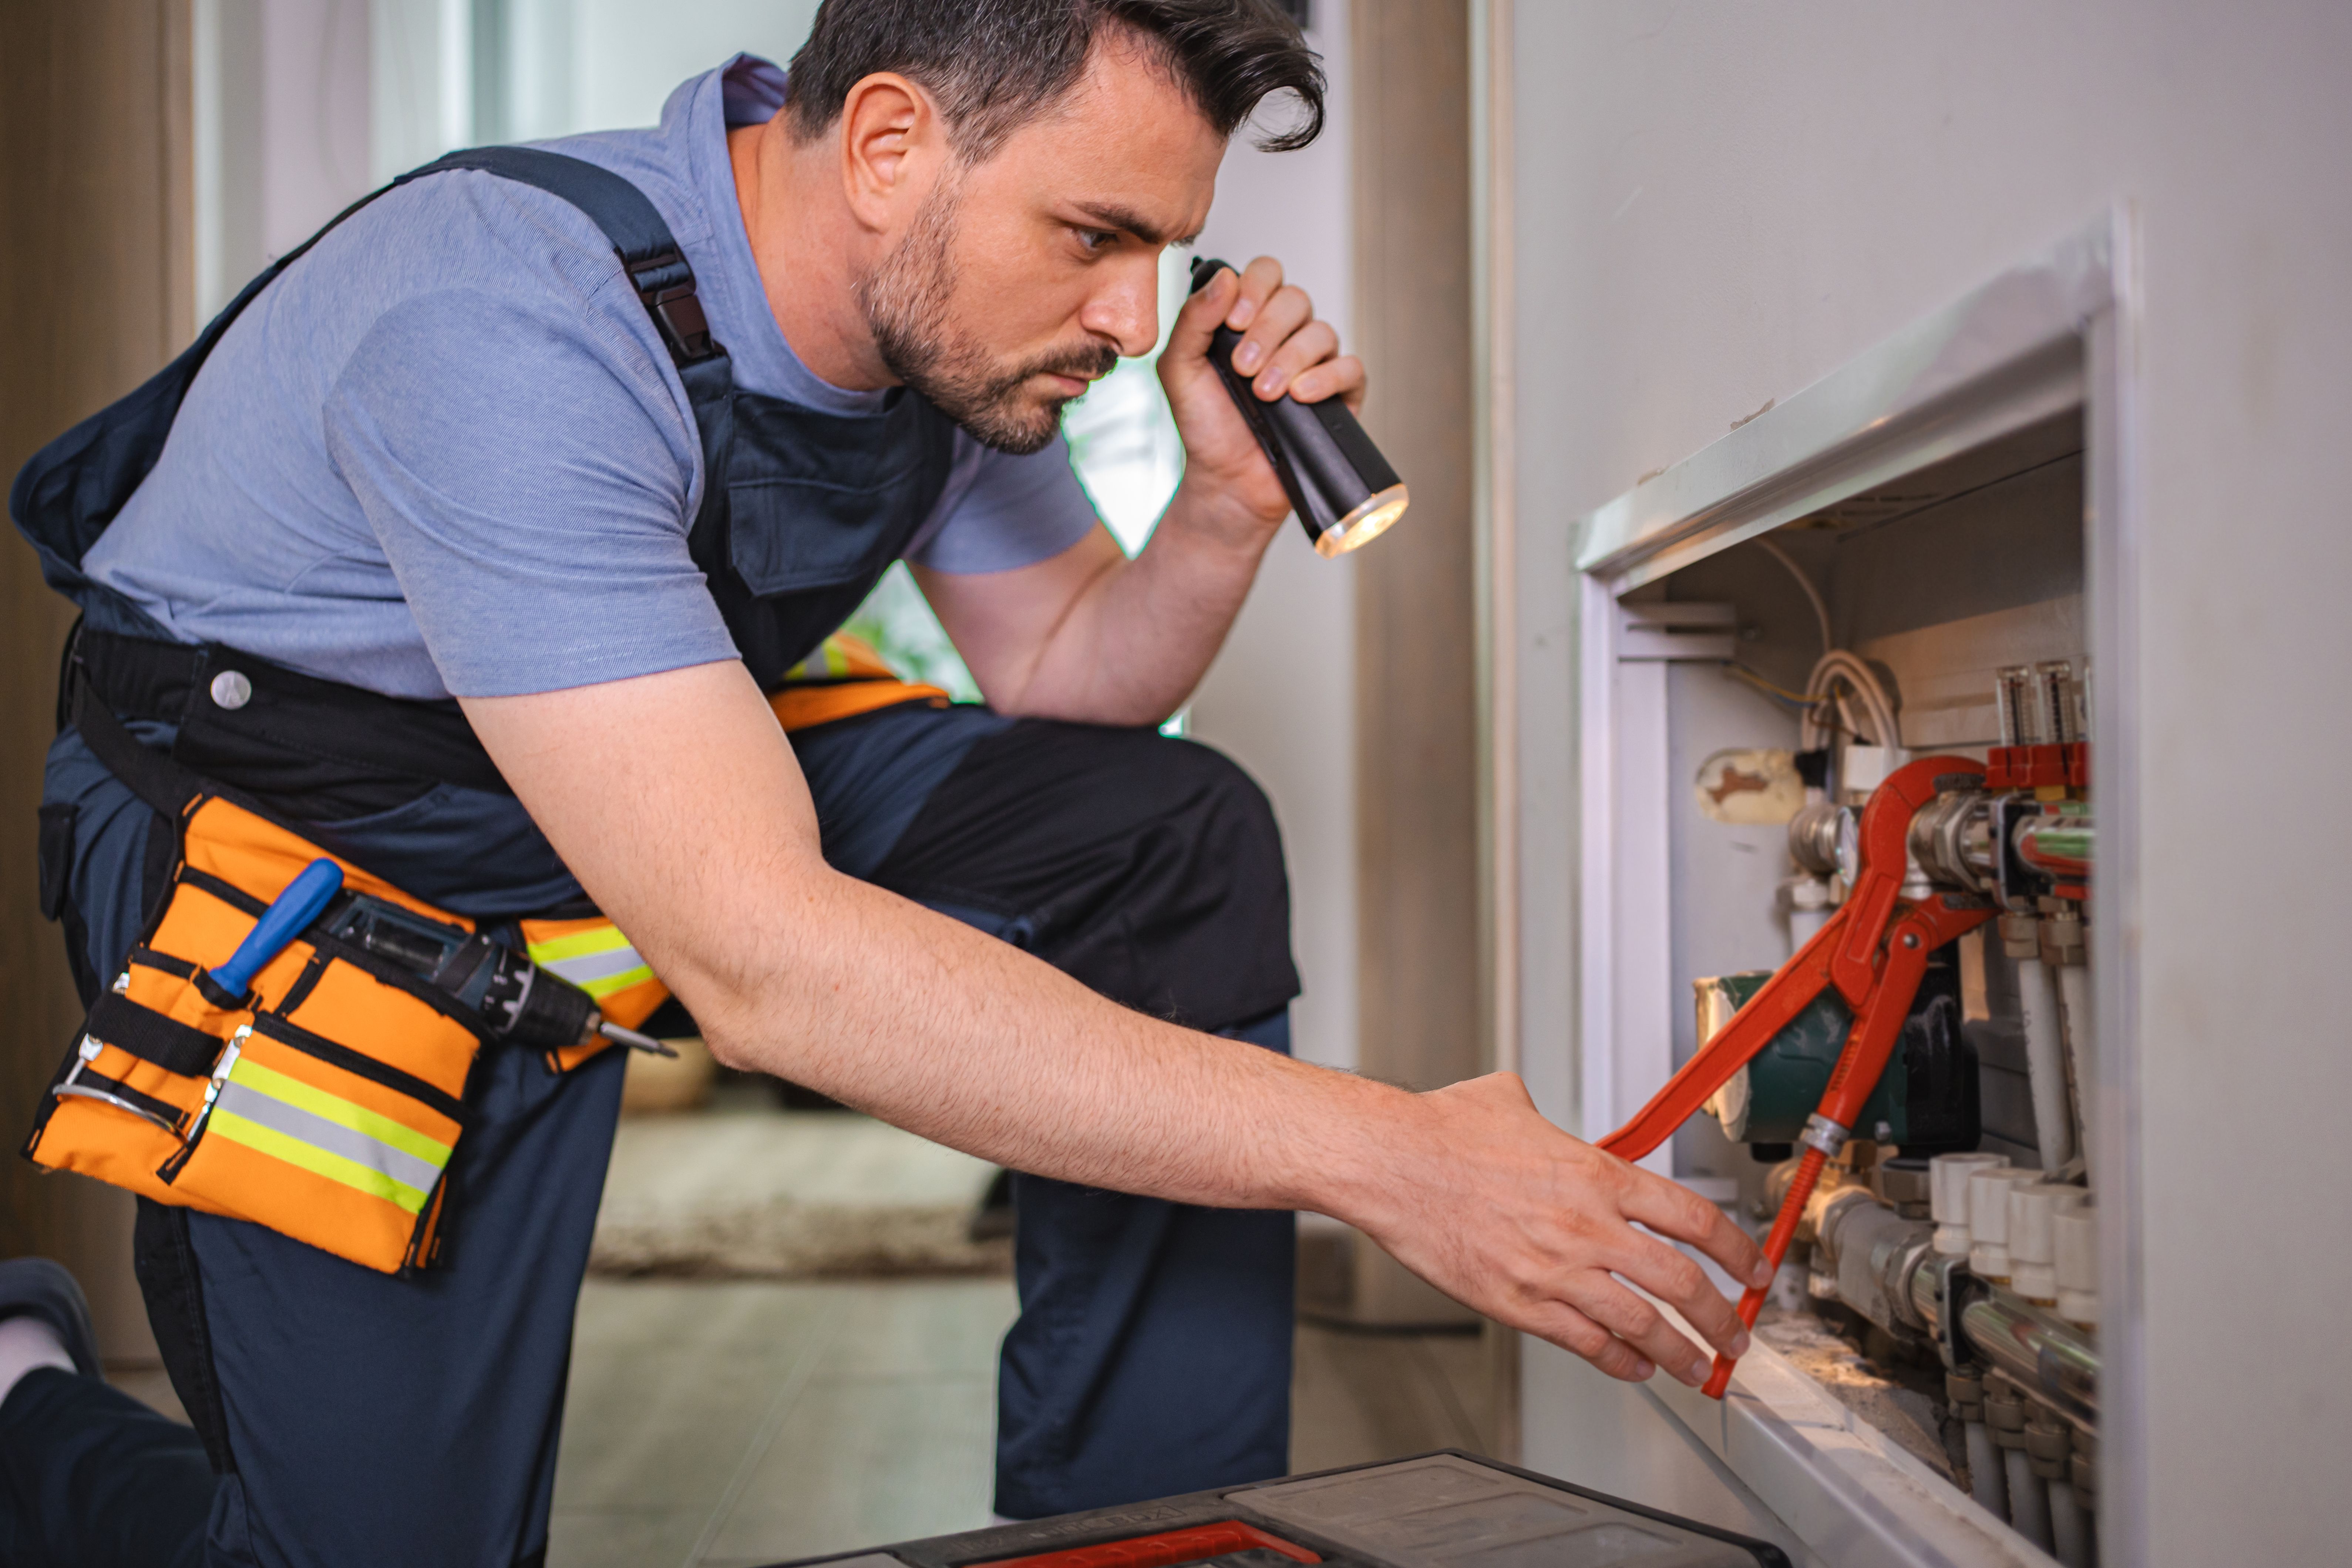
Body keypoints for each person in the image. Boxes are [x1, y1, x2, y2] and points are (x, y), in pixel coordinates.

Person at [0, 3, 1769, 1565]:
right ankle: (23, 1406)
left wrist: (1224, 502)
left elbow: (1075, 668)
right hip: (310, 822)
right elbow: (763, 965)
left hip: (649, 758)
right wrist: (1394, 1158)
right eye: (1096, 234)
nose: (1135, 317)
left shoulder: (931, 339)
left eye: (1166, 248)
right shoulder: (507, 320)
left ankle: (1140, 1544)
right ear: (892, 142)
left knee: (1170, 838)